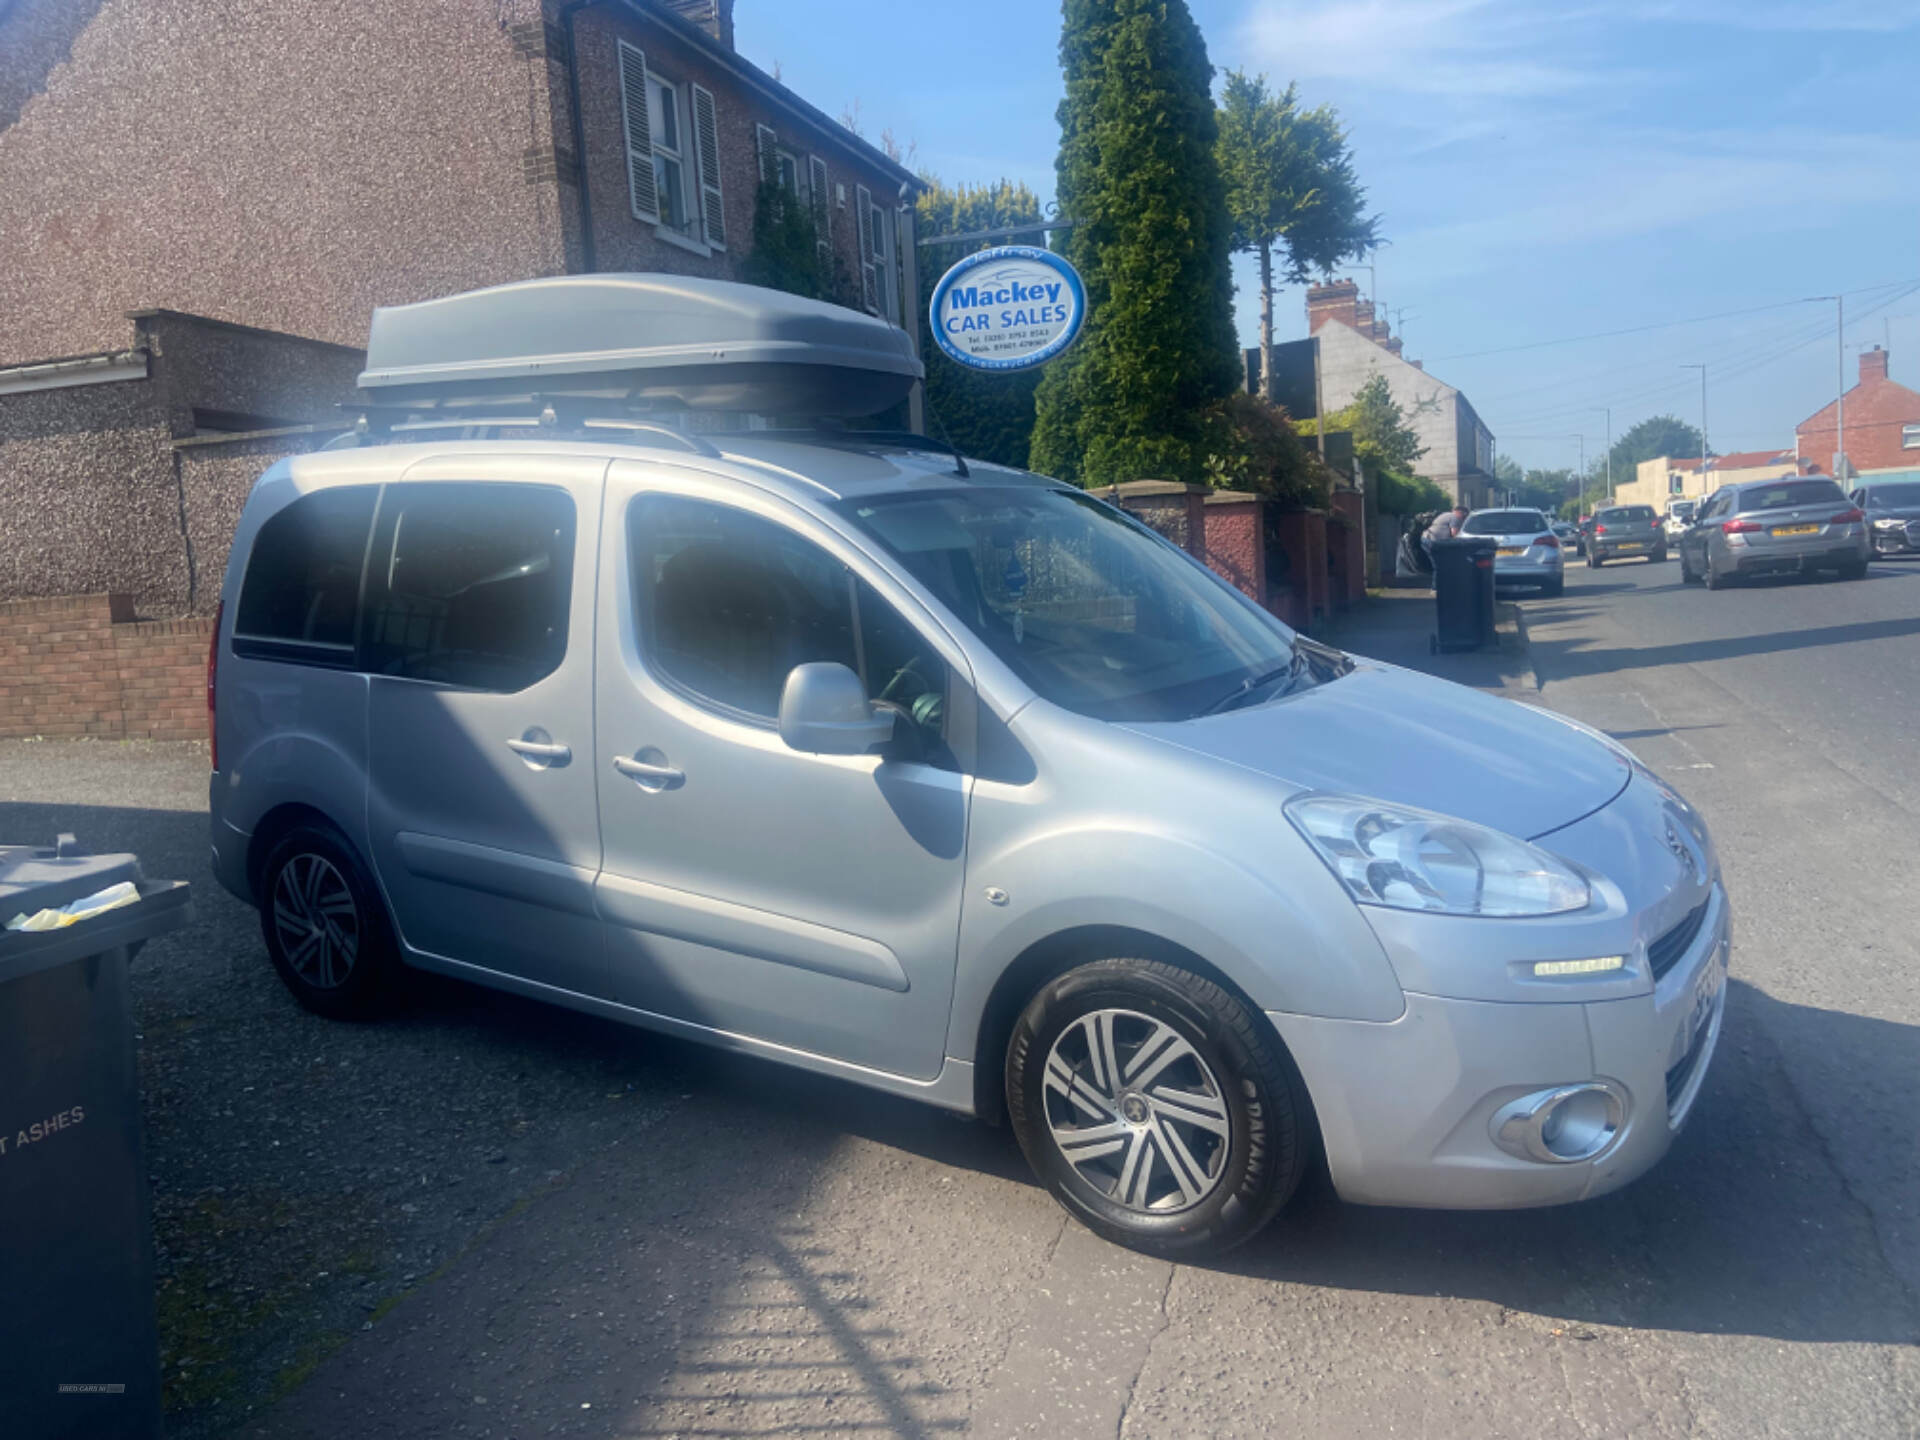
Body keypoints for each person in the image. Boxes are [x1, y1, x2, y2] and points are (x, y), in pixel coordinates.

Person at [1422, 504, 1470, 585]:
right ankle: (1436, 588)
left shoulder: (1445, 514)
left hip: (1427, 539)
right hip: (1432, 541)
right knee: (1439, 565)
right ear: (1460, 512)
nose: (1463, 518)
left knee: (1440, 564)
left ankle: (1442, 586)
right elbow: (1454, 534)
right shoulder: (1455, 517)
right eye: (1464, 516)